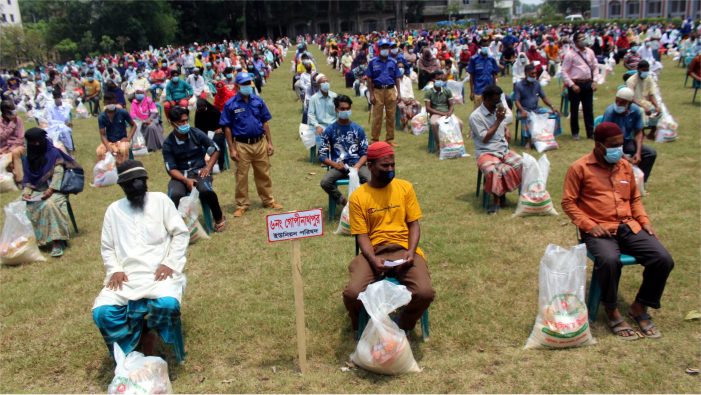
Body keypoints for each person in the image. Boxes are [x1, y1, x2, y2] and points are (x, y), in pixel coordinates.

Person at [561, 122, 674, 339]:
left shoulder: (624, 166)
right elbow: (569, 203)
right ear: (599, 145)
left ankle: (640, 306)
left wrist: (644, 221)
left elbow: (635, 198)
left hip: (628, 225)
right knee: (609, 259)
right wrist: (589, 225)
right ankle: (611, 309)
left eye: (621, 144)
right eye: (613, 145)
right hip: (598, 228)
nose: (619, 149)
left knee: (662, 259)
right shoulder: (580, 168)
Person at [92, 160, 190, 359]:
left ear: (146, 181)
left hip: (159, 275)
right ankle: (129, 350)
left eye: (139, 181)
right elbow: (107, 247)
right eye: (130, 183)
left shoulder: (161, 200)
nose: (136, 186)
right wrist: (115, 270)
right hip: (126, 277)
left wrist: (169, 263)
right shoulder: (114, 210)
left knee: (168, 305)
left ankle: (152, 333)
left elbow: (180, 233)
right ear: (122, 186)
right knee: (102, 313)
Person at [343, 142, 435, 333]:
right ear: (370, 166)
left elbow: (413, 224)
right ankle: (361, 326)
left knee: (425, 293)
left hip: (404, 250)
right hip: (374, 252)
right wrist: (372, 259)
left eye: (393, 164)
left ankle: (401, 326)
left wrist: (410, 252)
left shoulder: (405, 188)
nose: (390, 169)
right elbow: (362, 235)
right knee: (352, 294)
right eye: (385, 166)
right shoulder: (359, 197)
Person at [220, 72, 283, 217]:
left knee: (263, 173)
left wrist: (270, 143)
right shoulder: (230, 104)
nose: (247, 86)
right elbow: (227, 127)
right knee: (241, 176)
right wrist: (232, 148)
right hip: (242, 145)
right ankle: (242, 204)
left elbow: (265, 122)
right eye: (244, 84)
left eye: (249, 83)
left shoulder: (258, 101)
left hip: (260, 142)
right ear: (237, 86)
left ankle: (268, 200)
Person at [162, 106, 226, 232]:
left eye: (186, 120)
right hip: (180, 175)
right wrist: (186, 180)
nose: (185, 124)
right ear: (171, 122)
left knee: (206, 190)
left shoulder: (195, 133)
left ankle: (219, 217)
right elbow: (171, 169)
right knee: (174, 194)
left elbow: (216, 149)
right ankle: (173, 226)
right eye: (181, 122)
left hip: (199, 171)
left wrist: (208, 168)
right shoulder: (168, 143)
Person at [20, 128, 78, 258]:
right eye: (33, 143)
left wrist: (51, 190)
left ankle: (58, 241)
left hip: (56, 190)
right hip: (37, 191)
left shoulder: (53, 153)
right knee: (26, 207)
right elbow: (28, 180)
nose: (36, 145)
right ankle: (38, 240)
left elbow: (58, 174)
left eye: (38, 142)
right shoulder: (28, 159)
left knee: (49, 205)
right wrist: (26, 193)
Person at [469, 84, 522, 214]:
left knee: (523, 164)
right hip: (486, 151)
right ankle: (496, 201)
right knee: (493, 170)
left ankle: (524, 199)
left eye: (498, 100)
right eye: (495, 101)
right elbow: (485, 139)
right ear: (485, 100)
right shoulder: (475, 116)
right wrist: (498, 121)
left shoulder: (497, 110)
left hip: (503, 149)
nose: (497, 103)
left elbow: (502, 125)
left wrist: (504, 126)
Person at [318, 95, 370, 207]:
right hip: (339, 167)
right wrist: (335, 165)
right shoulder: (330, 130)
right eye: (342, 109)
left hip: (358, 165)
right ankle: (345, 203)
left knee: (370, 180)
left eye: (347, 109)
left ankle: (364, 205)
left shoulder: (358, 129)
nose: (345, 111)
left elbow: (365, 153)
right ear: (336, 109)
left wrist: (357, 167)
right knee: (325, 182)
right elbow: (321, 155)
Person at [602, 87, 657, 184]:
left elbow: (639, 132)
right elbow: (606, 139)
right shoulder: (610, 113)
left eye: (622, 102)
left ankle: (640, 183)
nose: (618, 104)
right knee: (616, 159)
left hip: (626, 142)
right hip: (611, 145)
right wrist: (623, 156)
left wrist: (638, 153)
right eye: (617, 101)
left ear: (629, 103)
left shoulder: (635, 111)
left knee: (650, 153)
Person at [561, 31, 599, 140]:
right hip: (576, 84)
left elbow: (595, 67)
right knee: (574, 110)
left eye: (584, 38)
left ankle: (590, 132)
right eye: (581, 39)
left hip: (588, 83)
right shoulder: (570, 54)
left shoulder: (590, 52)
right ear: (576, 41)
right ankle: (575, 132)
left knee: (588, 109)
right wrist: (572, 85)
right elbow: (564, 71)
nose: (584, 40)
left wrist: (595, 81)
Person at [366, 39, 402, 147]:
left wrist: (399, 93)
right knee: (377, 116)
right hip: (378, 90)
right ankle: (374, 139)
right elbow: (369, 79)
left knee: (391, 116)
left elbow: (397, 78)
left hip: (391, 90)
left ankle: (390, 139)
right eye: (383, 48)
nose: (385, 50)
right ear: (379, 49)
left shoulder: (393, 62)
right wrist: (371, 94)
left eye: (387, 47)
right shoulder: (373, 62)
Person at [513, 64, 559, 149]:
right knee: (526, 116)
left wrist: (552, 106)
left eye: (535, 73)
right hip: (523, 109)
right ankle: (527, 140)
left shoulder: (536, 84)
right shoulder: (518, 85)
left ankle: (549, 138)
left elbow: (544, 97)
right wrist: (522, 110)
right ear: (526, 73)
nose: (534, 75)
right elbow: (516, 101)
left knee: (553, 114)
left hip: (536, 109)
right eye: (532, 74)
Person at [425, 70, 462, 155]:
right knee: (434, 123)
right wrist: (441, 114)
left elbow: (452, 105)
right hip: (436, 113)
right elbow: (428, 108)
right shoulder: (429, 92)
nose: (439, 81)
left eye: (441, 79)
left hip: (447, 113)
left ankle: (455, 144)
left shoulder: (447, 91)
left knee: (460, 123)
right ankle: (439, 146)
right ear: (433, 80)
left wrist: (449, 112)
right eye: (438, 79)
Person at [624, 61, 661, 140]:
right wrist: (643, 107)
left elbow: (651, 95)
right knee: (640, 111)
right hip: (633, 103)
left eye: (647, 70)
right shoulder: (631, 80)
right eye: (644, 70)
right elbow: (631, 98)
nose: (645, 72)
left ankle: (652, 133)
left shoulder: (649, 79)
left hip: (645, 102)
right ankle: (641, 133)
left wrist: (656, 106)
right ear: (638, 69)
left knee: (658, 110)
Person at [97, 92, 137, 164]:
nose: (110, 104)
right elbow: (102, 134)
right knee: (100, 151)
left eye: (112, 102)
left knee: (123, 149)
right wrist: (108, 147)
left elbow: (134, 125)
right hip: (109, 141)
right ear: (104, 103)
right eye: (108, 102)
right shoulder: (102, 117)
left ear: (115, 101)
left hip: (122, 140)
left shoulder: (122, 112)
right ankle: (106, 170)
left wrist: (128, 138)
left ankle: (125, 167)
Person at [307, 74, 337, 153]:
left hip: (333, 124)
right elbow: (311, 114)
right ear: (319, 85)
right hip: (320, 125)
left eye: (327, 81)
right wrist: (317, 126)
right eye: (323, 82)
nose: (326, 83)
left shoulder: (334, 96)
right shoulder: (314, 98)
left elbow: (338, 111)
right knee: (319, 133)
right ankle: (323, 154)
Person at [194, 98, 227, 171]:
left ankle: (220, 164)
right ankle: (202, 165)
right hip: (204, 133)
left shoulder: (214, 111)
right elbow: (197, 127)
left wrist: (220, 129)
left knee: (217, 142)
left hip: (217, 132)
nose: (201, 111)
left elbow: (222, 125)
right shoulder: (198, 112)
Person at [467, 38, 500, 109]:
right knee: (478, 112)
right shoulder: (474, 59)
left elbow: (494, 75)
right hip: (478, 91)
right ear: (480, 47)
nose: (485, 47)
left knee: (490, 110)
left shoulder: (492, 60)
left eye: (486, 45)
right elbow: (471, 77)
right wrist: (471, 92)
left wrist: (495, 89)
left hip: (490, 91)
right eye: (483, 45)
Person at [0, 100, 25, 183]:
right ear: (5, 112)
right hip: (4, 148)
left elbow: (21, 138)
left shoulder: (18, 120)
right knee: (6, 161)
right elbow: (2, 137)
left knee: (14, 153)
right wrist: (11, 124)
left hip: (17, 147)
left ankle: (20, 180)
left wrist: (12, 148)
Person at [396, 63, 420, 130]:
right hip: (398, 99)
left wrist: (410, 98)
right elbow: (395, 93)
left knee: (417, 104)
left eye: (402, 67)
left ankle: (415, 124)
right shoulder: (394, 80)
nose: (401, 69)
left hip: (408, 99)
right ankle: (405, 125)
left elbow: (411, 92)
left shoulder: (408, 79)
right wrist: (402, 98)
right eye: (399, 67)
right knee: (402, 106)